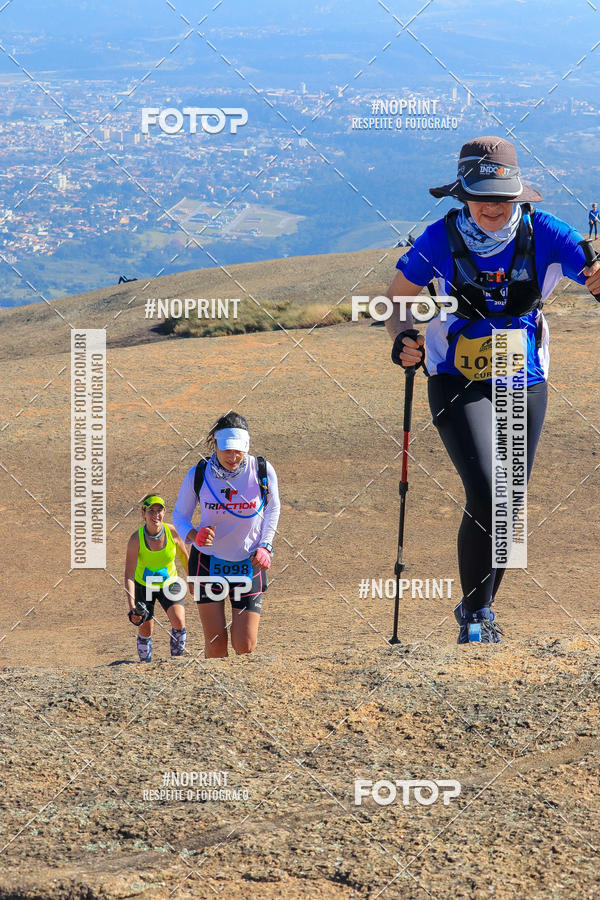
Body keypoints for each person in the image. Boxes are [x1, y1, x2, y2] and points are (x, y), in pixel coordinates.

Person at [385, 136, 600, 643]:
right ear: (462, 193)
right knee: (486, 486)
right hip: (454, 372)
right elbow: (395, 302)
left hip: (523, 372)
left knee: (509, 499)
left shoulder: (548, 233)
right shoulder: (438, 239)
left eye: (501, 197)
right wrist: (402, 341)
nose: (490, 206)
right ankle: (477, 616)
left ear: (519, 194)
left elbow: (592, 273)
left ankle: (477, 610)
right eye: (479, 195)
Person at [173, 412, 281, 658]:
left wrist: (266, 546)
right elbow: (179, 515)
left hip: (248, 562)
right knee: (216, 644)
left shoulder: (261, 470)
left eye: (239, 451)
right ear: (215, 444)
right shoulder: (199, 474)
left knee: (245, 644)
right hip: (208, 563)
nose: (233, 457)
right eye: (227, 451)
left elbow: (273, 507)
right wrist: (193, 535)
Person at [124, 495, 189, 662]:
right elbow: (129, 574)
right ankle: (145, 666)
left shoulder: (173, 532)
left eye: (159, 510)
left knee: (179, 620)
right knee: (146, 629)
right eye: (151, 511)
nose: (155, 515)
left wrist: (193, 582)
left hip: (170, 583)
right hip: (144, 586)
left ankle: (177, 663)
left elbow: (185, 558)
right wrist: (132, 607)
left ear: (164, 512)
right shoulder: (135, 539)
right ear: (143, 513)